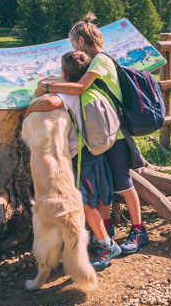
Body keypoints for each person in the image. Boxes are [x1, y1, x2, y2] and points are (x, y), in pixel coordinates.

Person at [39, 13, 150, 257]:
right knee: (105, 186)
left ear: (80, 41)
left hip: (116, 134)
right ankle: (107, 230)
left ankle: (139, 230)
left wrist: (47, 87)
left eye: (73, 45)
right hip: (101, 135)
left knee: (124, 183)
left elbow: (80, 87)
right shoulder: (96, 61)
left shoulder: (100, 61)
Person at [26, 51, 119, 270]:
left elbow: (49, 102)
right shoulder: (86, 88)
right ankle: (102, 235)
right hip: (92, 151)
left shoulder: (68, 95)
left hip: (79, 158)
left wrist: (30, 106)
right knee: (93, 197)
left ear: (64, 73)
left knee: (82, 202)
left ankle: (106, 244)